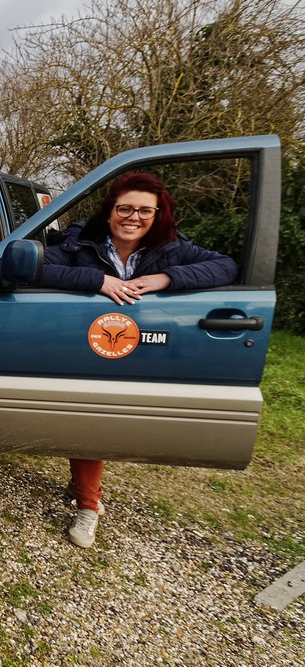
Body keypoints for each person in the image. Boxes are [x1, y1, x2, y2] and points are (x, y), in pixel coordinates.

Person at [40, 172, 237, 549]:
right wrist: (96, 281)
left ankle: (84, 485)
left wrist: (168, 278)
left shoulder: (173, 249)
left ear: (158, 213)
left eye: (145, 210)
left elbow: (225, 266)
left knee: (115, 421)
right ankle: (88, 505)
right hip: (86, 344)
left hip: (146, 346)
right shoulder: (80, 242)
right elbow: (38, 267)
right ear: (110, 210)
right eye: (125, 208)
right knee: (91, 421)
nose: (133, 217)